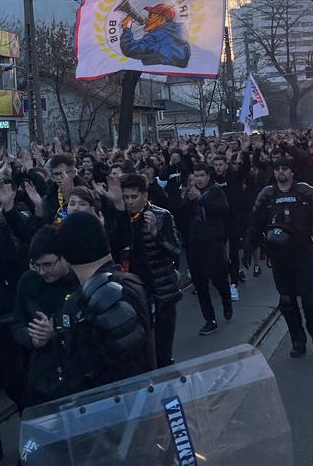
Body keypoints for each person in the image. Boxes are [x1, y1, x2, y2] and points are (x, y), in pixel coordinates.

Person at [246, 159, 313, 358]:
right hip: (280, 258)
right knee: (287, 301)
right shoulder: (267, 195)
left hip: (305, 253)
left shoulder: (305, 193)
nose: (281, 172)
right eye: (278, 169)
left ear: (291, 172)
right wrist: (249, 246)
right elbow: (255, 223)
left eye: (285, 169)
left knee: (310, 301)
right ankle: (298, 340)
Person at [55, 212, 155, 393]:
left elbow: (131, 366)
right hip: (140, 402)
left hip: (113, 409)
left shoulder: (100, 294)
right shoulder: (128, 281)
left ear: (65, 254)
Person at [11, 227, 79, 406]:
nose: (42, 272)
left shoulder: (80, 283)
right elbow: (17, 324)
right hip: (40, 379)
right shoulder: (29, 281)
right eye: (36, 265)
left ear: (64, 257)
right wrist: (33, 338)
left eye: (48, 265)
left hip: (77, 378)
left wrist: (56, 333)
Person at [120, 173, 182, 367]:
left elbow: (176, 251)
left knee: (163, 349)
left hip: (161, 293)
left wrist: (156, 233)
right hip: (133, 293)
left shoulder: (162, 216)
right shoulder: (120, 219)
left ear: (145, 196)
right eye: (126, 197)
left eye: (134, 197)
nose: (129, 202)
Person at [177, 166, 231, 335]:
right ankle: (210, 319)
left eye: (202, 175)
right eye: (196, 176)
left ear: (208, 177)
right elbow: (182, 216)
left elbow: (223, 210)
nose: (199, 179)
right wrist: (187, 199)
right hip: (195, 244)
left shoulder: (215, 192)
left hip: (213, 243)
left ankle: (226, 298)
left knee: (217, 278)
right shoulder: (191, 194)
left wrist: (201, 199)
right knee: (200, 284)